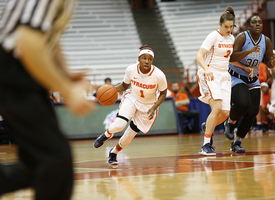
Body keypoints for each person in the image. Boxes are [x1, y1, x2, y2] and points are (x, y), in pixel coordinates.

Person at [0, 1, 96, 199]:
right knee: (56, 160)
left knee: (37, 166)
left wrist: (65, 72)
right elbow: (28, 41)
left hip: (19, 73)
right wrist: (67, 91)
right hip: (10, 69)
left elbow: (49, 37)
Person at [93, 44, 167, 165]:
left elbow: (163, 93)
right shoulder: (131, 69)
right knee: (119, 125)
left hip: (148, 106)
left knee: (129, 136)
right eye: (144, 58)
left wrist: (154, 107)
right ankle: (106, 135)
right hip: (132, 99)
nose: (147, 61)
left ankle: (114, 152)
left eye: (150, 59)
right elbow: (124, 85)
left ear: (152, 60)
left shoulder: (159, 75)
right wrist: (111, 90)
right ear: (139, 59)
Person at [224, 14, 275, 153]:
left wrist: (272, 64)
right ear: (248, 25)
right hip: (236, 76)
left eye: (260, 22)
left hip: (253, 78)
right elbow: (232, 56)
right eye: (254, 22)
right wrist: (248, 51)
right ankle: (230, 122)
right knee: (243, 104)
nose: (258, 24)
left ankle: (237, 143)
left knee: (253, 112)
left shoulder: (266, 41)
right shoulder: (242, 37)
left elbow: (268, 62)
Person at [196, 6, 236, 155]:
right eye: (226, 26)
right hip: (210, 74)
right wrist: (206, 69)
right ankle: (205, 145)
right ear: (220, 24)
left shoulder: (232, 38)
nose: (229, 29)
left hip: (224, 76)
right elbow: (199, 56)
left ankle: (208, 126)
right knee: (217, 107)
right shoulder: (213, 35)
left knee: (226, 112)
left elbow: (230, 58)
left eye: (231, 26)